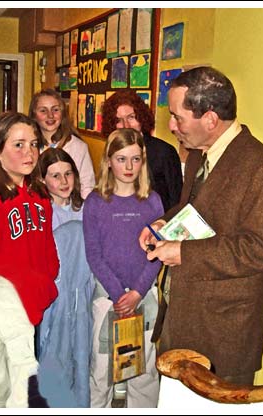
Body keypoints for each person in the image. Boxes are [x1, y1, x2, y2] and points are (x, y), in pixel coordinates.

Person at [139, 66, 263, 386]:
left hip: (222, 331)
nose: (171, 126)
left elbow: (261, 250)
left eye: (178, 117)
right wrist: (163, 223)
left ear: (209, 119)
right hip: (183, 318)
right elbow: (194, 210)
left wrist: (183, 253)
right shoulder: (197, 155)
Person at [83, 128, 164, 407]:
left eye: (135, 159)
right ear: (108, 160)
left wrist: (138, 293)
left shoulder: (152, 201)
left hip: (143, 296)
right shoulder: (95, 202)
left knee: (143, 375)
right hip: (109, 299)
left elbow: (158, 253)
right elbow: (94, 254)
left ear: (143, 161)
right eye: (121, 159)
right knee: (102, 373)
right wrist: (120, 295)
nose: (129, 167)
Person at [0, 112, 59, 407]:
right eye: (18, 145)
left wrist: (46, 276)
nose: (29, 152)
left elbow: (45, 245)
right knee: (3, 384)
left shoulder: (40, 193)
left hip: (34, 300)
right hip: (2, 305)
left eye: (33, 144)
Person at [36, 147, 95, 407]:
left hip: (82, 294)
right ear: (42, 180)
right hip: (54, 298)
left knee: (81, 355)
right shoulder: (42, 213)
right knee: (53, 353)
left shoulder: (85, 209)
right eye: (55, 176)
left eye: (68, 174)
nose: (63, 182)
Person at [101, 90, 183, 212]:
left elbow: (177, 200)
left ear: (142, 117)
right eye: (118, 120)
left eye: (131, 117)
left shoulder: (164, 152)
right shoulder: (112, 150)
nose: (126, 125)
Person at [28, 88, 95, 199]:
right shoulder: (28, 147)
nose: (50, 116)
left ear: (63, 113)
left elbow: (87, 187)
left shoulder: (79, 147)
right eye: (43, 111)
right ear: (34, 115)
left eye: (55, 110)